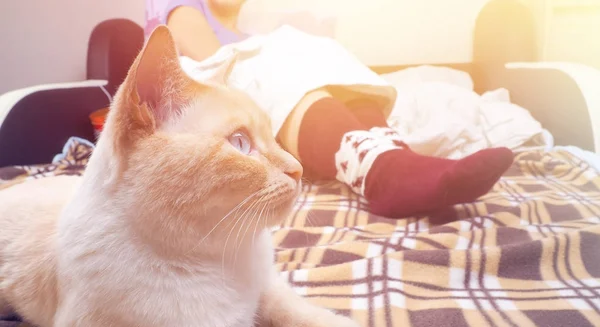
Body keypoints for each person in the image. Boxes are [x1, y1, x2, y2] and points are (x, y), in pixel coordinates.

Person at [145, 0, 514, 218]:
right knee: (274, 60)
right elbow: (220, 64)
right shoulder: (181, 7)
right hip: (202, 104)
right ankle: (384, 172)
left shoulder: (254, 15)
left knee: (316, 53)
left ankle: (388, 153)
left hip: (257, 94)